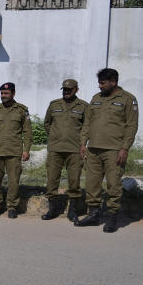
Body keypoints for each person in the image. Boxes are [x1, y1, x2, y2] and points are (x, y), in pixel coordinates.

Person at [75, 68, 139, 233]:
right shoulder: (96, 99)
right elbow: (87, 123)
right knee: (92, 184)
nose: (100, 86)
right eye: (99, 83)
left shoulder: (128, 99)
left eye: (103, 83)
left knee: (113, 185)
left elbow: (132, 126)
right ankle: (93, 215)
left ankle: (112, 217)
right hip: (94, 149)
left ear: (113, 82)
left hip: (114, 150)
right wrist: (83, 143)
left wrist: (125, 148)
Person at [41, 78, 88, 221]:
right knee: (52, 180)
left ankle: (73, 211)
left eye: (69, 90)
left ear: (76, 90)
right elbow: (47, 123)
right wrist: (55, 136)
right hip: (55, 149)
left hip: (74, 149)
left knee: (74, 181)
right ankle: (52, 209)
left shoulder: (84, 106)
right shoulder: (54, 104)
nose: (66, 92)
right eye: (64, 90)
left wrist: (82, 144)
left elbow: (87, 126)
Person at [0, 82, 31, 218]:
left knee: (14, 182)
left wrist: (26, 150)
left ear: (13, 93)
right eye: (2, 93)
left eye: (6, 93)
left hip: (14, 152)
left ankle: (12, 207)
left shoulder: (22, 110)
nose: (3, 96)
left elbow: (28, 132)